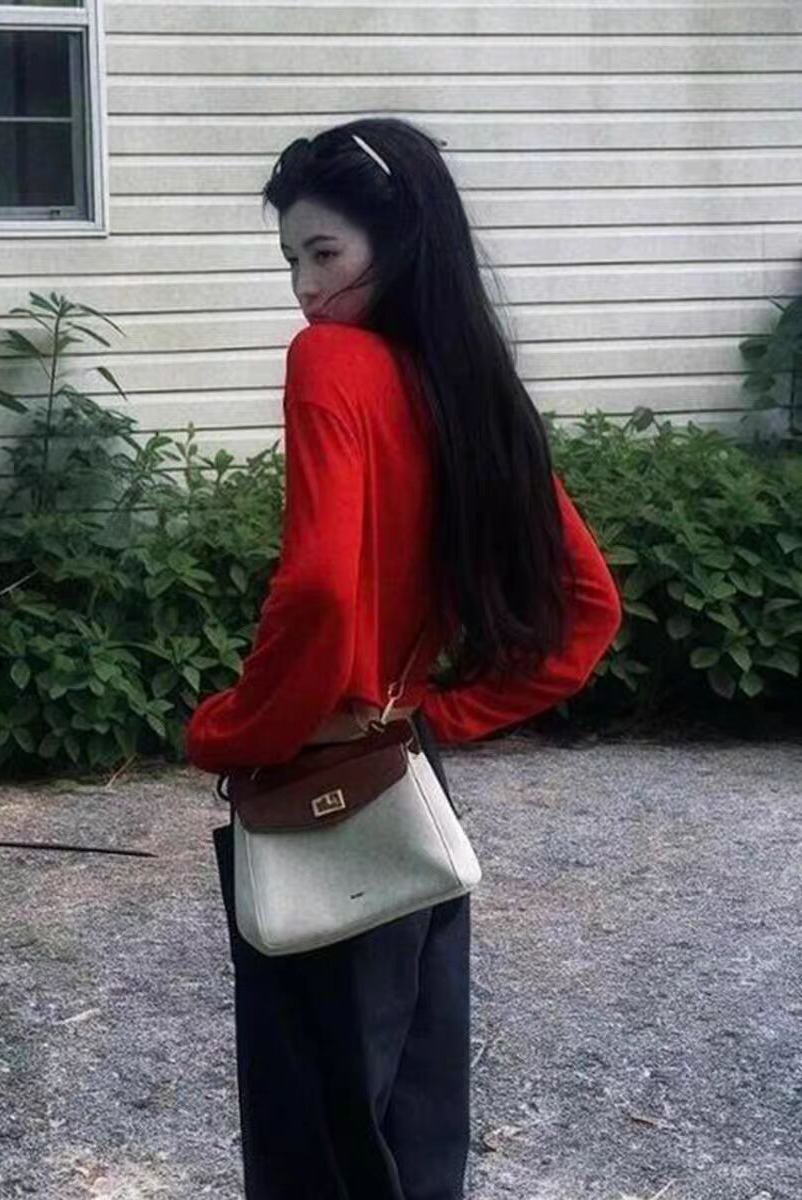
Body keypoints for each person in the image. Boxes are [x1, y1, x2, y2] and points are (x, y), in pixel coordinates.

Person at [185, 117, 623, 1200]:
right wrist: (436, 719)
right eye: (291, 259)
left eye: (323, 252)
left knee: (315, 1130)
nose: (304, 288)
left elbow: (322, 592)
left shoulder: (330, 361)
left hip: (319, 781)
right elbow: (589, 609)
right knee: (414, 1119)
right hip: (408, 788)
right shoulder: (460, 386)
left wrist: (234, 729)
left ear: (399, 239)